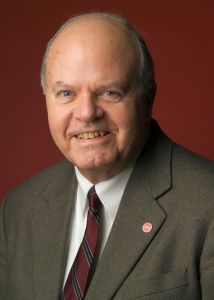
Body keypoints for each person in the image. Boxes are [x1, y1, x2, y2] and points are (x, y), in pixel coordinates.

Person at [0, 12, 213, 300]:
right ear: (46, 100)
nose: (87, 113)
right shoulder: (18, 210)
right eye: (66, 93)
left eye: (109, 92)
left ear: (147, 99)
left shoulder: (206, 204)